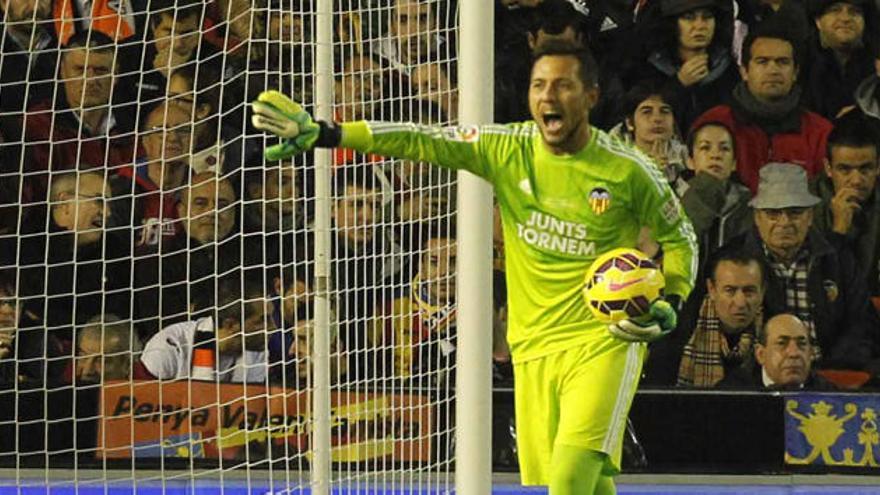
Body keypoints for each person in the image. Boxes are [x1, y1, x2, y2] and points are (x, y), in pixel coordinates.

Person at [252, 40, 697, 494]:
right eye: (538, 85)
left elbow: (681, 239)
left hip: (605, 342)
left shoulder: (629, 170)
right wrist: (331, 133)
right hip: (533, 346)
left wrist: (674, 297)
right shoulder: (507, 149)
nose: (548, 96)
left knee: (568, 478)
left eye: (563, 85)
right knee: (588, 479)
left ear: (591, 97)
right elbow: (420, 139)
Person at [727, 162, 876, 369]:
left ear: (810, 216)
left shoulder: (837, 257)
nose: (785, 222)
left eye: (795, 212)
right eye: (773, 213)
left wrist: (832, 372)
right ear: (757, 217)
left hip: (830, 374)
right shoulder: (733, 261)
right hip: (760, 376)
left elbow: (861, 323)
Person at [690, 22, 833, 194]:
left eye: (782, 62)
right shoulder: (714, 123)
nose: (773, 70)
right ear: (744, 71)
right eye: (762, 62)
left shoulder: (820, 132)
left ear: (795, 72)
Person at [140, 274, 273, 383]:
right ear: (230, 325)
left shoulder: (257, 352)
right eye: (262, 321)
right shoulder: (169, 348)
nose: (273, 328)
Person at [812, 112, 880, 298]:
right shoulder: (807, 206)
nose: (856, 180)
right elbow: (822, 284)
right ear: (828, 168)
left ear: (878, 166)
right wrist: (839, 230)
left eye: (865, 168)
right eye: (845, 169)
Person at [673, 251, 766, 387]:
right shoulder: (679, 331)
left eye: (749, 291)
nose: (740, 302)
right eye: (730, 290)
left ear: (763, 291)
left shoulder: (775, 331)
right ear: (712, 289)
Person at [679, 120, 753, 281]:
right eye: (705, 148)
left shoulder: (750, 206)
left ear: (734, 163)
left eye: (724, 149)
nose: (715, 155)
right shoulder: (672, 200)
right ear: (690, 161)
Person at [719, 313, 836, 390]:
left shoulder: (828, 394)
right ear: (760, 354)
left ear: (811, 353)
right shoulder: (733, 391)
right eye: (782, 343)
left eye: (802, 344)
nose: (794, 353)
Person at [803, 0, 877, 119]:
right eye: (835, 10)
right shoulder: (800, 59)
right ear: (818, 21)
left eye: (854, 12)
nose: (845, 18)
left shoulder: (875, 59)